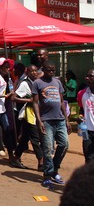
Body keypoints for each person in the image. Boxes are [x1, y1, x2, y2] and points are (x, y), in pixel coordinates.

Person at [32, 61, 71, 189]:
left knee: (64, 144)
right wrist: (39, 120)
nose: (51, 72)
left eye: (53, 70)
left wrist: (66, 120)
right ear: (44, 69)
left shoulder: (57, 82)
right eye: (49, 70)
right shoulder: (37, 83)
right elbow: (36, 103)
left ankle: (54, 169)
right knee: (48, 148)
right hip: (46, 120)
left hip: (59, 119)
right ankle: (48, 175)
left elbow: (61, 102)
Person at [11, 64, 43, 170]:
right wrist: (29, 100)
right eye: (31, 71)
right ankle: (41, 162)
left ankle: (16, 158)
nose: (34, 73)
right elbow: (14, 98)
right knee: (35, 138)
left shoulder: (37, 83)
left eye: (35, 71)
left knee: (25, 137)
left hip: (36, 113)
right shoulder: (25, 84)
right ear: (27, 73)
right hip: (29, 114)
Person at [77, 69, 94, 163]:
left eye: (90, 76)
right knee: (88, 157)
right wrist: (80, 116)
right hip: (86, 131)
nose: (87, 78)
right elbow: (82, 109)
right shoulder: (81, 93)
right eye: (87, 76)